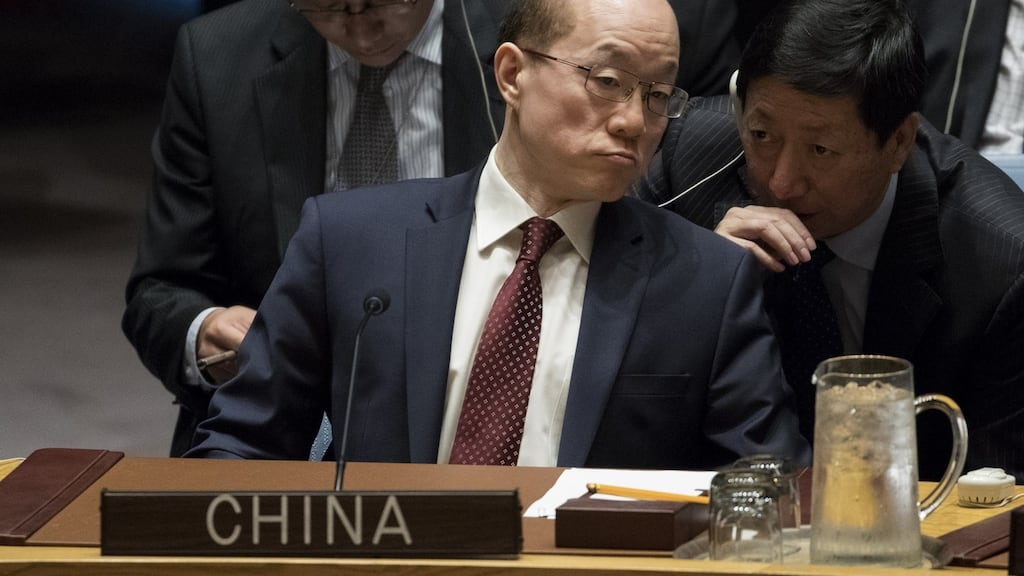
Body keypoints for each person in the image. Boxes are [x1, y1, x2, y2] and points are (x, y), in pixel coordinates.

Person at [187, 0, 811, 470]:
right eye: (607, 81)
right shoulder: (349, 238)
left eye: (656, 95)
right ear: (512, 74)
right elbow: (243, 445)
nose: (633, 121)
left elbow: (765, 483)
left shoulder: (707, 279)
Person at [636, 0, 1024, 480]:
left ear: (900, 141)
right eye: (761, 135)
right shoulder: (686, 161)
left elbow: (999, 503)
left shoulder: (1000, 264)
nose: (781, 183)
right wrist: (701, 286)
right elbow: (611, 389)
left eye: (821, 149)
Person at [122, 0, 508, 457]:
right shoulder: (217, 56)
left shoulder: (534, 39)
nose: (362, 34)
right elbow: (160, 290)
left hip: (479, 411)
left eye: (385, 4)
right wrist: (204, 330)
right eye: (329, 9)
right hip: (282, 427)